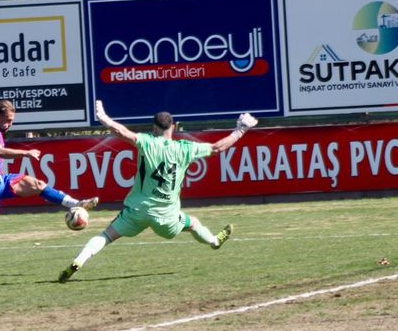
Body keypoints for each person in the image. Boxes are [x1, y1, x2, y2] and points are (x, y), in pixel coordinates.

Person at [58, 100, 258, 283]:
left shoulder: (147, 141)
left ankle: (80, 260)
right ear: (174, 127)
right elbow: (217, 148)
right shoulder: (185, 148)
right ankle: (214, 241)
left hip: (137, 210)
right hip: (166, 215)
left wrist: (105, 119)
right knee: (193, 223)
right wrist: (240, 130)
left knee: (107, 235)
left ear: (154, 128)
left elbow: (122, 132)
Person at [0, 100, 99, 279]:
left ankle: (77, 203)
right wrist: (26, 153)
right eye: (7, 120)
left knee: (37, 185)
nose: (10, 124)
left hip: (1, 179)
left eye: (12, 121)